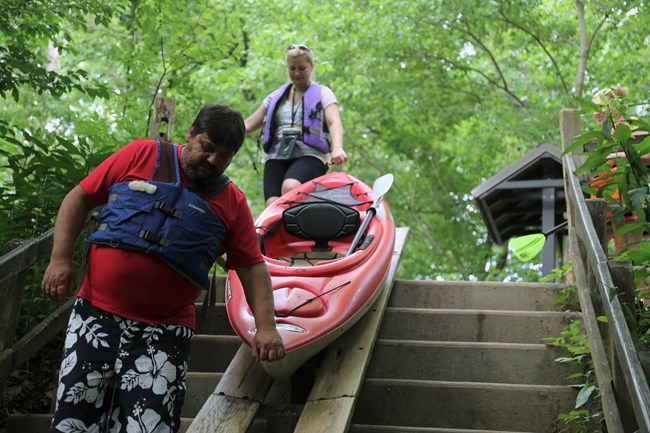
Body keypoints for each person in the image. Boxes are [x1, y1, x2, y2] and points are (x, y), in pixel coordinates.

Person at [41, 104, 285, 433]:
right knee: (74, 421)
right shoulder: (140, 154)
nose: (213, 161)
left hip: (164, 331)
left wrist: (266, 327)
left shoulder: (232, 202)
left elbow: (253, 267)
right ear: (191, 135)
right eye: (207, 148)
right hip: (95, 316)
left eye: (224, 156)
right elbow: (80, 197)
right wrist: (60, 259)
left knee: (150, 428)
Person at [245, 44, 348, 206]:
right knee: (273, 205)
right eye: (292, 68)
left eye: (302, 68)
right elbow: (248, 125)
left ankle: (308, 224)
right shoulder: (276, 96)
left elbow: (334, 121)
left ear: (312, 67)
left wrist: (338, 148)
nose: (297, 73)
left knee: (290, 186)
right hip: (278, 155)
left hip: (311, 155)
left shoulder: (323, 93)